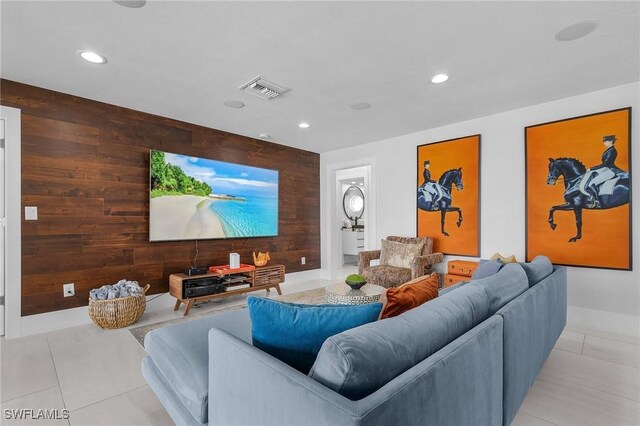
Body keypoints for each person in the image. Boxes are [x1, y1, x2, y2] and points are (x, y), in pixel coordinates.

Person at [582, 135, 618, 207]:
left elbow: (605, 164)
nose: (604, 143)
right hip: (605, 169)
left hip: (609, 170)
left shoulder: (612, 151)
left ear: (611, 141)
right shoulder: (608, 150)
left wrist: (591, 168)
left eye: (605, 141)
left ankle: (595, 201)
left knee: (592, 183)